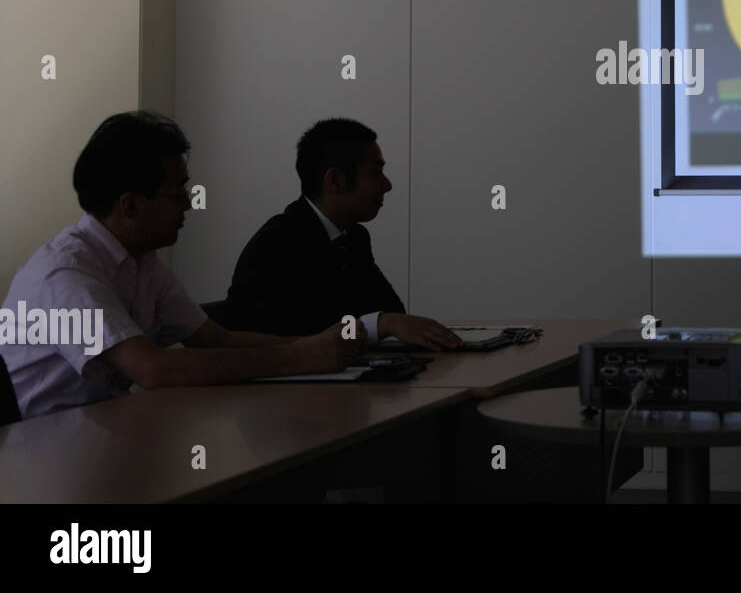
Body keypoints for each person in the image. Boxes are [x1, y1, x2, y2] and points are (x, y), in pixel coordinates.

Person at [1, 112, 362, 419]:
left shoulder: (142, 260)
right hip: (34, 452)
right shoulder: (65, 274)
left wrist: (318, 345)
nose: (189, 205)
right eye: (177, 195)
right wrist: (298, 359)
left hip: (98, 430)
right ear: (130, 206)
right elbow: (153, 369)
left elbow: (215, 340)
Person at [221, 118, 461, 351]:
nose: (387, 185)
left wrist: (386, 321)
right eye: (375, 174)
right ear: (335, 180)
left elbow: (392, 311)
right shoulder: (277, 244)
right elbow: (300, 335)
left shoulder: (354, 237)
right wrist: (382, 323)